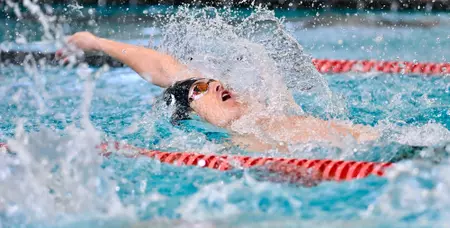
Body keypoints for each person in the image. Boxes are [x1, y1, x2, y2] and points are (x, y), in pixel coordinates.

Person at [60, 32, 379, 151]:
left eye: (211, 80)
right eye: (200, 88)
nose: (214, 84)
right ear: (190, 117)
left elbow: (162, 66)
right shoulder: (233, 147)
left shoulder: (261, 111)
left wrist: (96, 43)